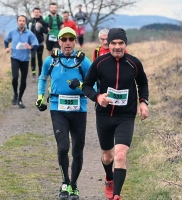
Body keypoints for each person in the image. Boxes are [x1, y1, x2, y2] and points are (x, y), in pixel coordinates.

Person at [82, 28, 149, 200]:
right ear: (108, 44)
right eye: (113, 43)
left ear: (125, 44)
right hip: (104, 115)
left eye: (120, 43)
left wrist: (143, 102)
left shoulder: (134, 63)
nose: (117, 46)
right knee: (107, 156)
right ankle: (109, 178)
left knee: (120, 155)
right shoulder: (99, 63)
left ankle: (117, 195)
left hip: (126, 116)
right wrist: (97, 97)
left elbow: (143, 83)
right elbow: (86, 86)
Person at [35, 27, 92, 200]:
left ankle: (74, 185)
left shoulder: (83, 61)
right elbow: (43, 77)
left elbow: (94, 85)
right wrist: (40, 96)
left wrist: (81, 86)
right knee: (63, 148)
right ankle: (65, 182)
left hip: (79, 110)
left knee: (77, 150)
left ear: (75, 41)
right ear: (58, 41)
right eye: (64, 39)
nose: (67, 43)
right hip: (57, 108)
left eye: (71, 39)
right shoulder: (51, 60)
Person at [4, 15, 39, 108]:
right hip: (14, 57)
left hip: (25, 59)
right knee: (15, 77)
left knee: (23, 80)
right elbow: (6, 41)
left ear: (25, 23)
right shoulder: (12, 32)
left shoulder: (29, 34)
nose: (21, 22)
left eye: (23, 21)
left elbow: (36, 44)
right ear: (17, 22)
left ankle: (20, 99)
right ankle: (15, 93)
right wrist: (6, 48)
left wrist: (30, 47)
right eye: (20, 20)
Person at [27, 7, 48, 79]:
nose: (36, 13)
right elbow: (26, 31)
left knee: (39, 58)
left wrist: (41, 27)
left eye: (38, 12)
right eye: (35, 12)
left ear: (40, 13)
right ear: (33, 13)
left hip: (40, 43)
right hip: (32, 43)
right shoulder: (30, 21)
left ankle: (40, 74)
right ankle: (33, 73)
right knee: (32, 58)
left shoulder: (43, 21)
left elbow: (46, 31)